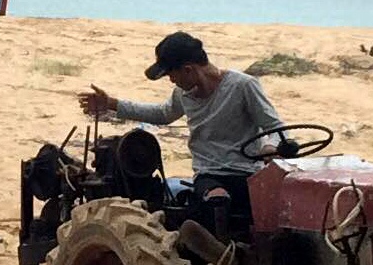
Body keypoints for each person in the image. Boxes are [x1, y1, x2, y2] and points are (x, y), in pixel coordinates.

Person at [78, 31, 288, 215]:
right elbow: (163, 114)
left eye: (171, 74)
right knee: (216, 198)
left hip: (248, 172)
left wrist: (273, 145)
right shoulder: (183, 94)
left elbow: (275, 127)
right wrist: (113, 104)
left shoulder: (243, 86)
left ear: (188, 70)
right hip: (209, 175)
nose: (171, 81)